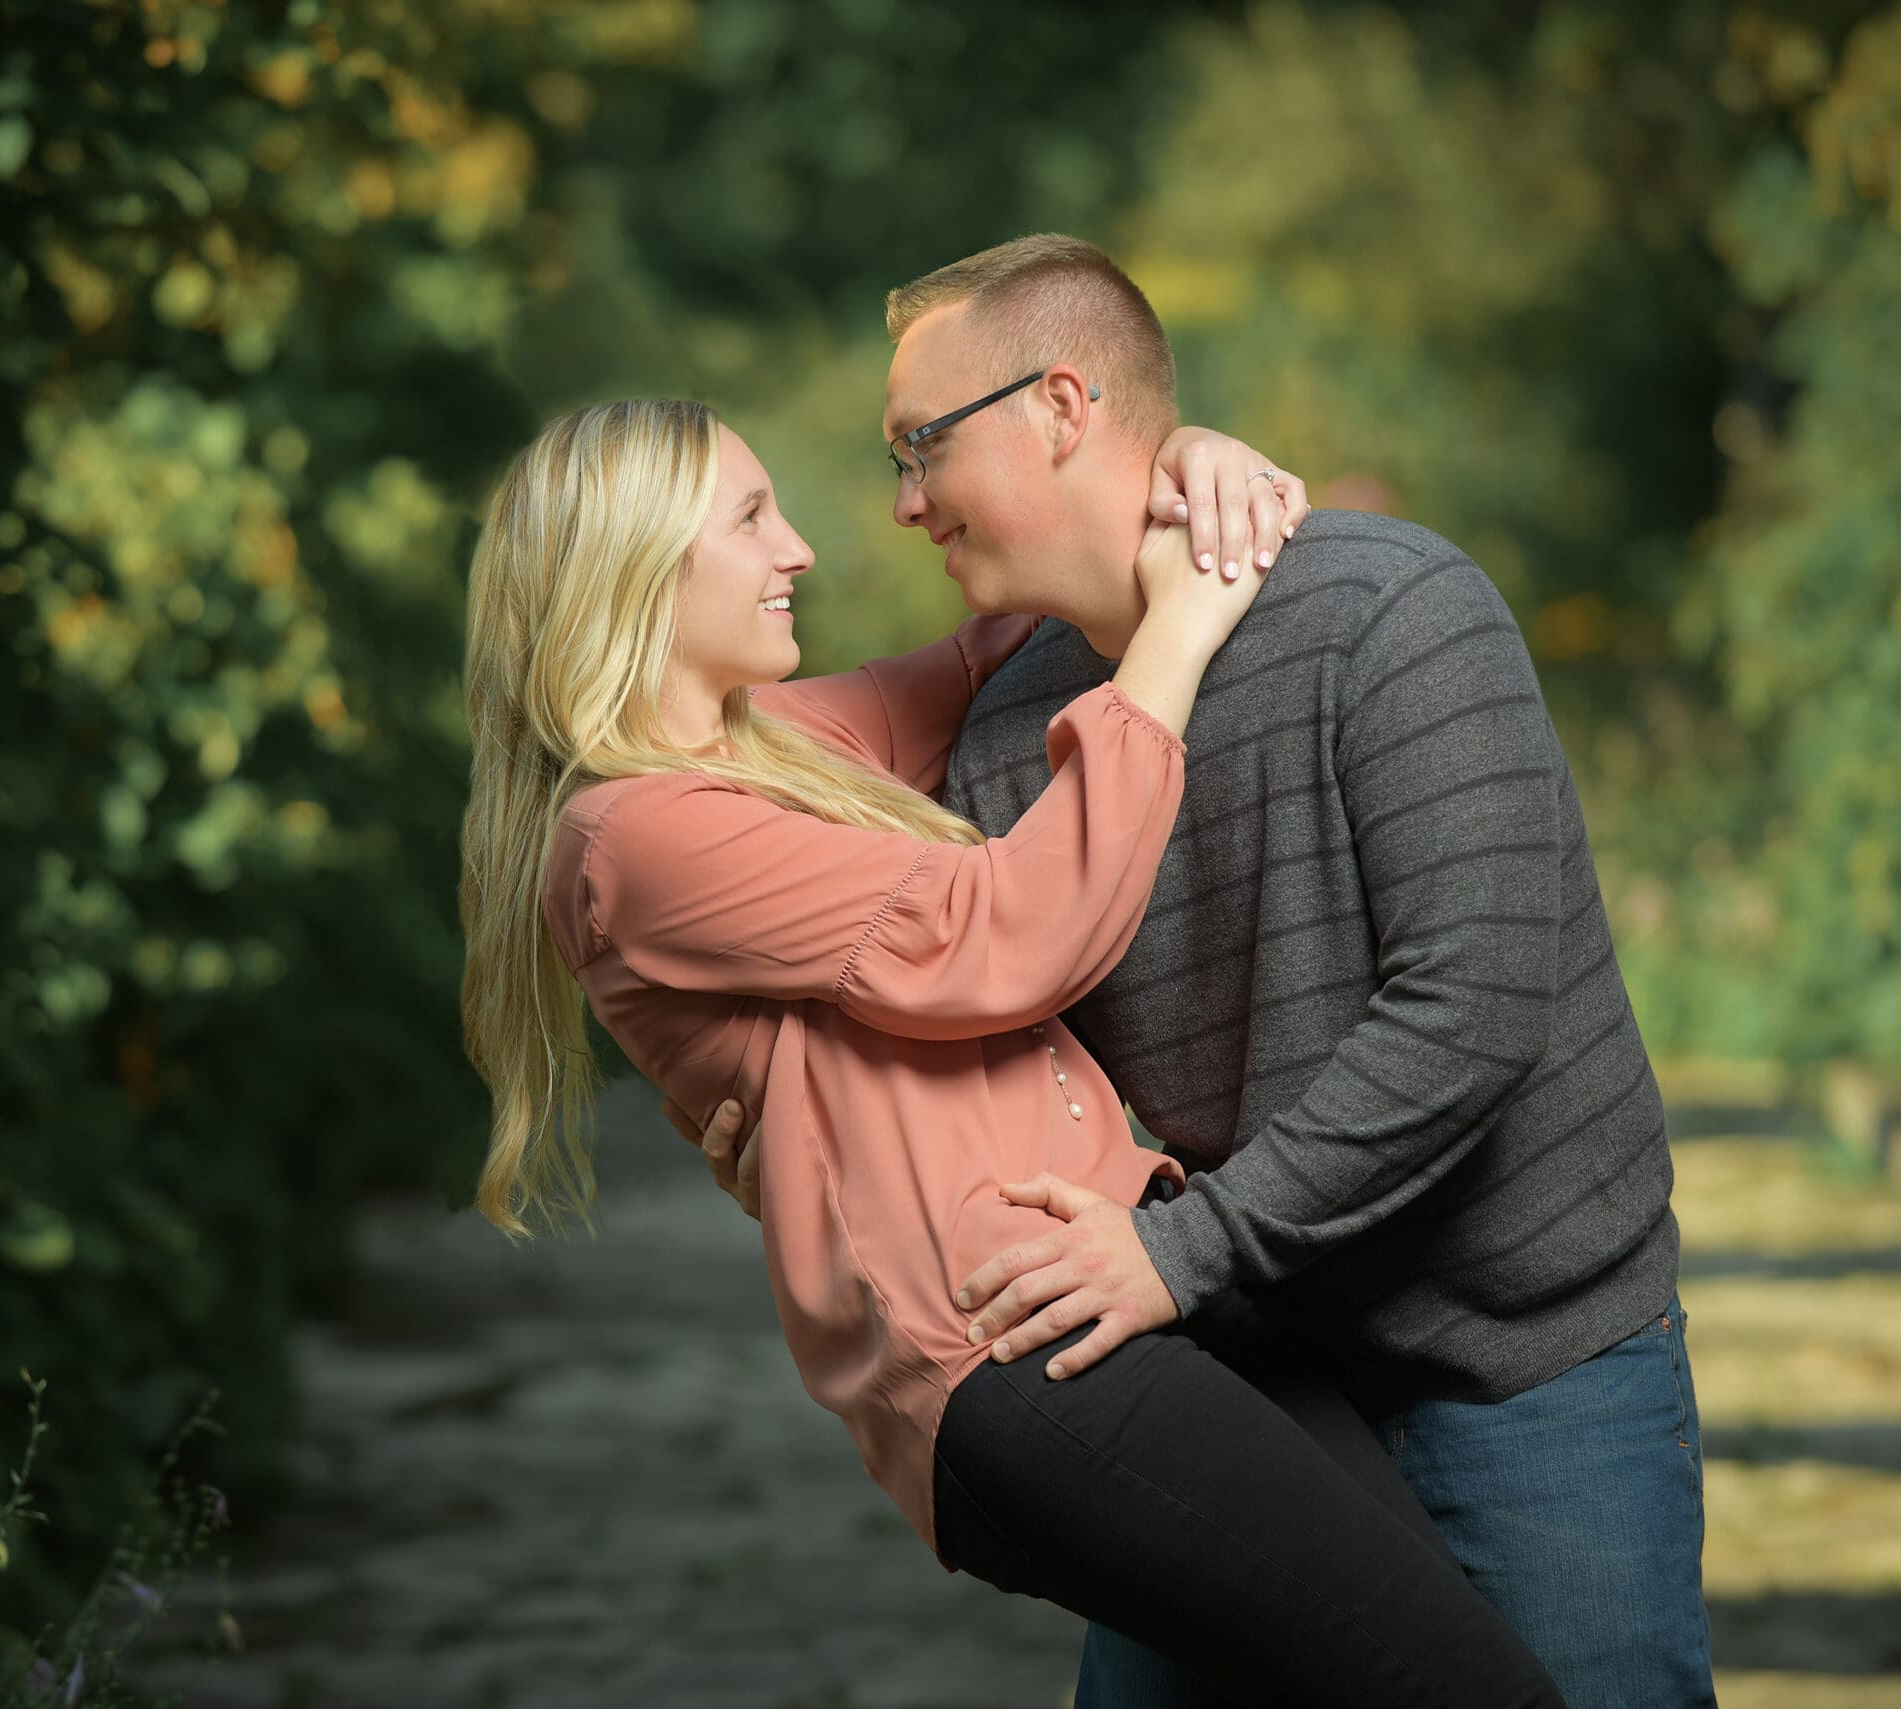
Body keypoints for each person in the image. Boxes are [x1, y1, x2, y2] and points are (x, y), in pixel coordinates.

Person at [702, 234, 1712, 1708]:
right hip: (1247, 1386)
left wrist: (1179, 1252)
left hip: (1530, 1366)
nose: (902, 501)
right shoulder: (999, 738)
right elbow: (950, 1011)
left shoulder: (1395, 617)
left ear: (1061, 406)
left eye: (922, 446)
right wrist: (803, 1111)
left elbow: (1470, 1016)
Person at [460, 395, 1566, 1706]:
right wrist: (1190, 625)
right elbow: (1011, 930)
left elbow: (1017, 631)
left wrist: (1180, 466)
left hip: (1118, 1273)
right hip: (1003, 1343)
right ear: (634, 567)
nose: (800, 548)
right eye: (752, 518)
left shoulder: (787, 745)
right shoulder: (628, 838)